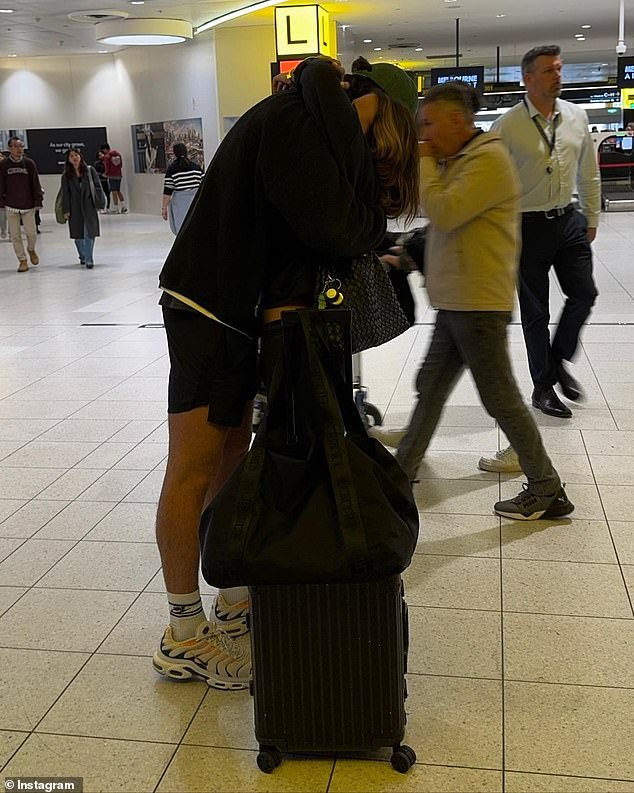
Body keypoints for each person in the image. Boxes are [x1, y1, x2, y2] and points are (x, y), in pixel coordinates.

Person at [152, 56, 419, 690]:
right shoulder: (298, 120)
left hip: (232, 309)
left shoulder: (309, 118)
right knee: (192, 464)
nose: (375, 159)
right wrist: (370, 224)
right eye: (385, 147)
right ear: (379, 109)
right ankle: (182, 632)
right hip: (207, 307)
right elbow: (333, 227)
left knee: (229, 458)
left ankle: (235, 605)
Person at [374, 81, 573, 521]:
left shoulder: (488, 160)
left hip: (478, 305)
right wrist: (409, 254)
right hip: (458, 303)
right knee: (430, 388)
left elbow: (444, 211)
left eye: (428, 124)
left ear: (457, 122)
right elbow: (449, 228)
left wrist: (425, 160)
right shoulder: (462, 159)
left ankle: (546, 488)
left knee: (498, 398)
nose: (423, 134)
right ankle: (399, 477)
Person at [478, 44, 601, 474]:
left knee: (584, 293)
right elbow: (492, 181)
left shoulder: (576, 117)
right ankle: (543, 386)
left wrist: (592, 213)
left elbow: (589, 169)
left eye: (559, 69)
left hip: (567, 220)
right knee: (535, 311)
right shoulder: (507, 127)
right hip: (525, 226)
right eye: (548, 70)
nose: (556, 75)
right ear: (527, 78)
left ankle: (557, 359)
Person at [0, 136, 43, 272]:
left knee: (31, 233)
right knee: (15, 235)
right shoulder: (3, 165)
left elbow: (35, 183)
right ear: (9, 148)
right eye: (16, 146)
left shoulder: (29, 163)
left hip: (28, 204)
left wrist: (38, 201)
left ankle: (31, 249)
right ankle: (22, 260)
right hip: (11, 204)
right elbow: (1, 184)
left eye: (21, 146)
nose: (19, 149)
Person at [61, 148, 104, 269]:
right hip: (74, 208)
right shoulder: (66, 176)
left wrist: (99, 202)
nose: (74, 158)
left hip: (89, 205)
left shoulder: (90, 171)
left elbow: (98, 187)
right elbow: (66, 193)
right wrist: (66, 210)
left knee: (89, 233)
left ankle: (89, 259)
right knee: (78, 236)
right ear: (68, 160)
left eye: (76, 155)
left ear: (80, 157)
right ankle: (83, 256)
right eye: (71, 156)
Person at [161, 142, 204, 234]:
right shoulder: (196, 167)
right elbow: (204, 184)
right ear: (186, 152)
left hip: (180, 204)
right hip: (196, 201)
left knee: (182, 229)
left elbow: (168, 191)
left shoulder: (171, 169)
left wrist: (164, 208)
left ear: (174, 154)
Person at [99, 142, 127, 213]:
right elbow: (121, 165)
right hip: (119, 175)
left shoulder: (107, 157)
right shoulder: (118, 155)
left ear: (105, 149)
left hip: (111, 176)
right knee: (118, 191)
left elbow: (107, 167)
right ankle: (124, 206)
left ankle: (116, 208)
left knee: (114, 192)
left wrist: (105, 174)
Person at [0, 152, 7, 239]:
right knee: (2, 217)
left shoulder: (6, 168)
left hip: (7, 196)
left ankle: (9, 233)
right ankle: (3, 230)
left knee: (7, 216)